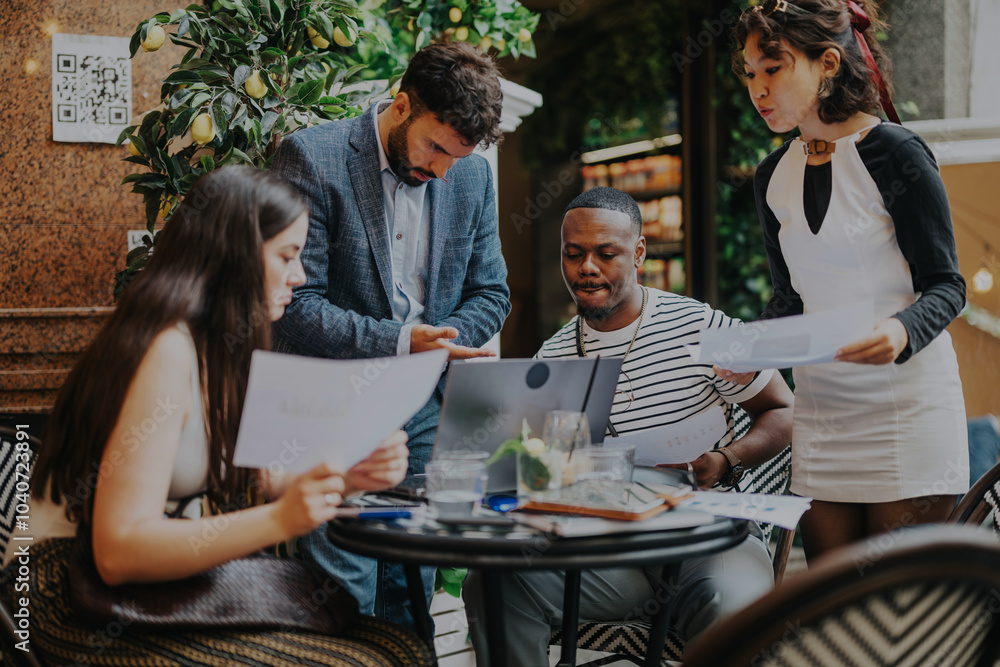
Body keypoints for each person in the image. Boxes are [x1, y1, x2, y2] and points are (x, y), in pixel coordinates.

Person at [0, 166, 430, 667]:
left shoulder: (220, 348)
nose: (301, 276)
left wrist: (347, 475)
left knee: (397, 647)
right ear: (236, 256)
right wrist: (279, 520)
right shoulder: (166, 350)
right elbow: (117, 553)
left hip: (146, 591)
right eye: (288, 256)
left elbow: (253, 475)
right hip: (65, 597)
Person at [462, 187, 795, 666]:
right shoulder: (553, 357)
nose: (586, 268)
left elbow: (783, 411)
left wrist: (725, 461)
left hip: (709, 536)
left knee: (731, 607)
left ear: (638, 252)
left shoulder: (700, 325)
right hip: (607, 551)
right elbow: (536, 469)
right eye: (573, 254)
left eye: (605, 253)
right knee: (493, 582)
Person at [270, 42, 511, 628]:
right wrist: (405, 341)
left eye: (455, 157)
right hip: (334, 401)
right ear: (401, 106)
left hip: (424, 401)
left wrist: (444, 340)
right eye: (435, 148)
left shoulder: (471, 175)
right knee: (343, 587)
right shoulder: (312, 156)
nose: (440, 171)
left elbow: (492, 293)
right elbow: (295, 306)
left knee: (414, 581)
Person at [730, 0, 969, 562]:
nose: (758, 89)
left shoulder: (895, 152)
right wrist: (751, 347)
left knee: (900, 619)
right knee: (831, 613)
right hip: (823, 418)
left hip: (909, 411)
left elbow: (947, 285)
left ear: (828, 63)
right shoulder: (772, 176)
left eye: (774, 68)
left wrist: (901, 330)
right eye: (749, 74)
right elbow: (791, 299)